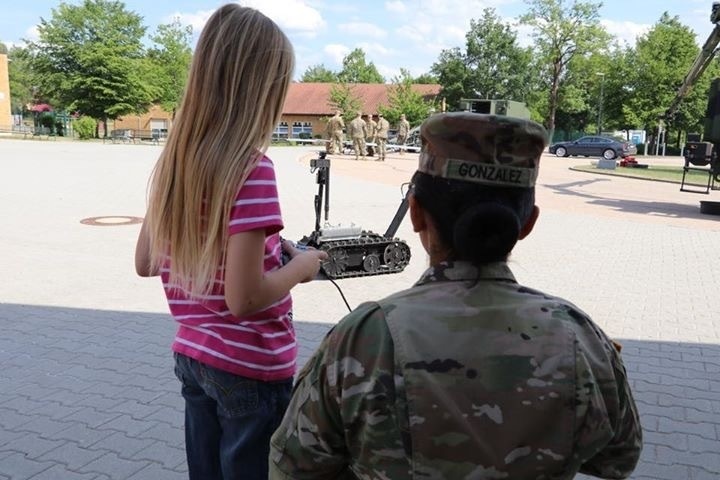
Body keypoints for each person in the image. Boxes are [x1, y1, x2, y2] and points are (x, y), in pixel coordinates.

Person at [269, 112, 643, 480]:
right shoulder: (581, 338)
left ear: (415, 214)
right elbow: (619, 459)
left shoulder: (363, 339)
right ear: (528, 223)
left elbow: (292, 466)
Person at [133, 5, 327, 479]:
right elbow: (244, 299)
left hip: (194, 355)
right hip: (250, 366)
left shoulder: (176, 160)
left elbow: (144, 262)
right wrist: (302, 267)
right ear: (262, 91)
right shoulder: (253, 168)